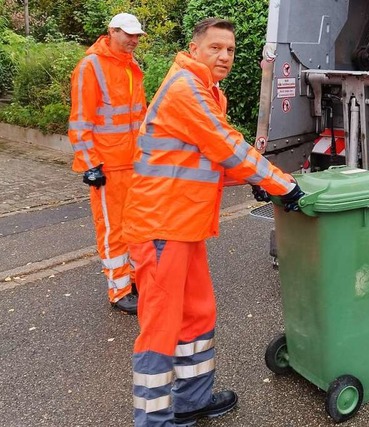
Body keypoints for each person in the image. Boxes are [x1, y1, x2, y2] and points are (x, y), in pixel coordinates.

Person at [122, 18, 304, 427]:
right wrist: (280, 185)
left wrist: (251, 180)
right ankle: (153, 421)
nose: (224, 56)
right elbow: (226, 145)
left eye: (231, 50)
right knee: (161, 328)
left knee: (197, 316)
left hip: (183, 225)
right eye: (216, 48)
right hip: (161, 227)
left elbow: (206, 156)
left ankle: (192, 402)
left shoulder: (205, 89)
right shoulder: (186, 88)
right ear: (194, 48)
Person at [68, 13, 147, 315]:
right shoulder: (91, 66)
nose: (134, 40)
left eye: (137, 35)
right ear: (111, 32)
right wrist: (90, 164)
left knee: (137, 227)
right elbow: (79, 121)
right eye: (128, 34)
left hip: (134, 164)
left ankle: (135, 281)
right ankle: (119, 290)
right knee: (113, 229)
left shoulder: (131, 67)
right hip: (108, 167)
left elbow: (138, 116)